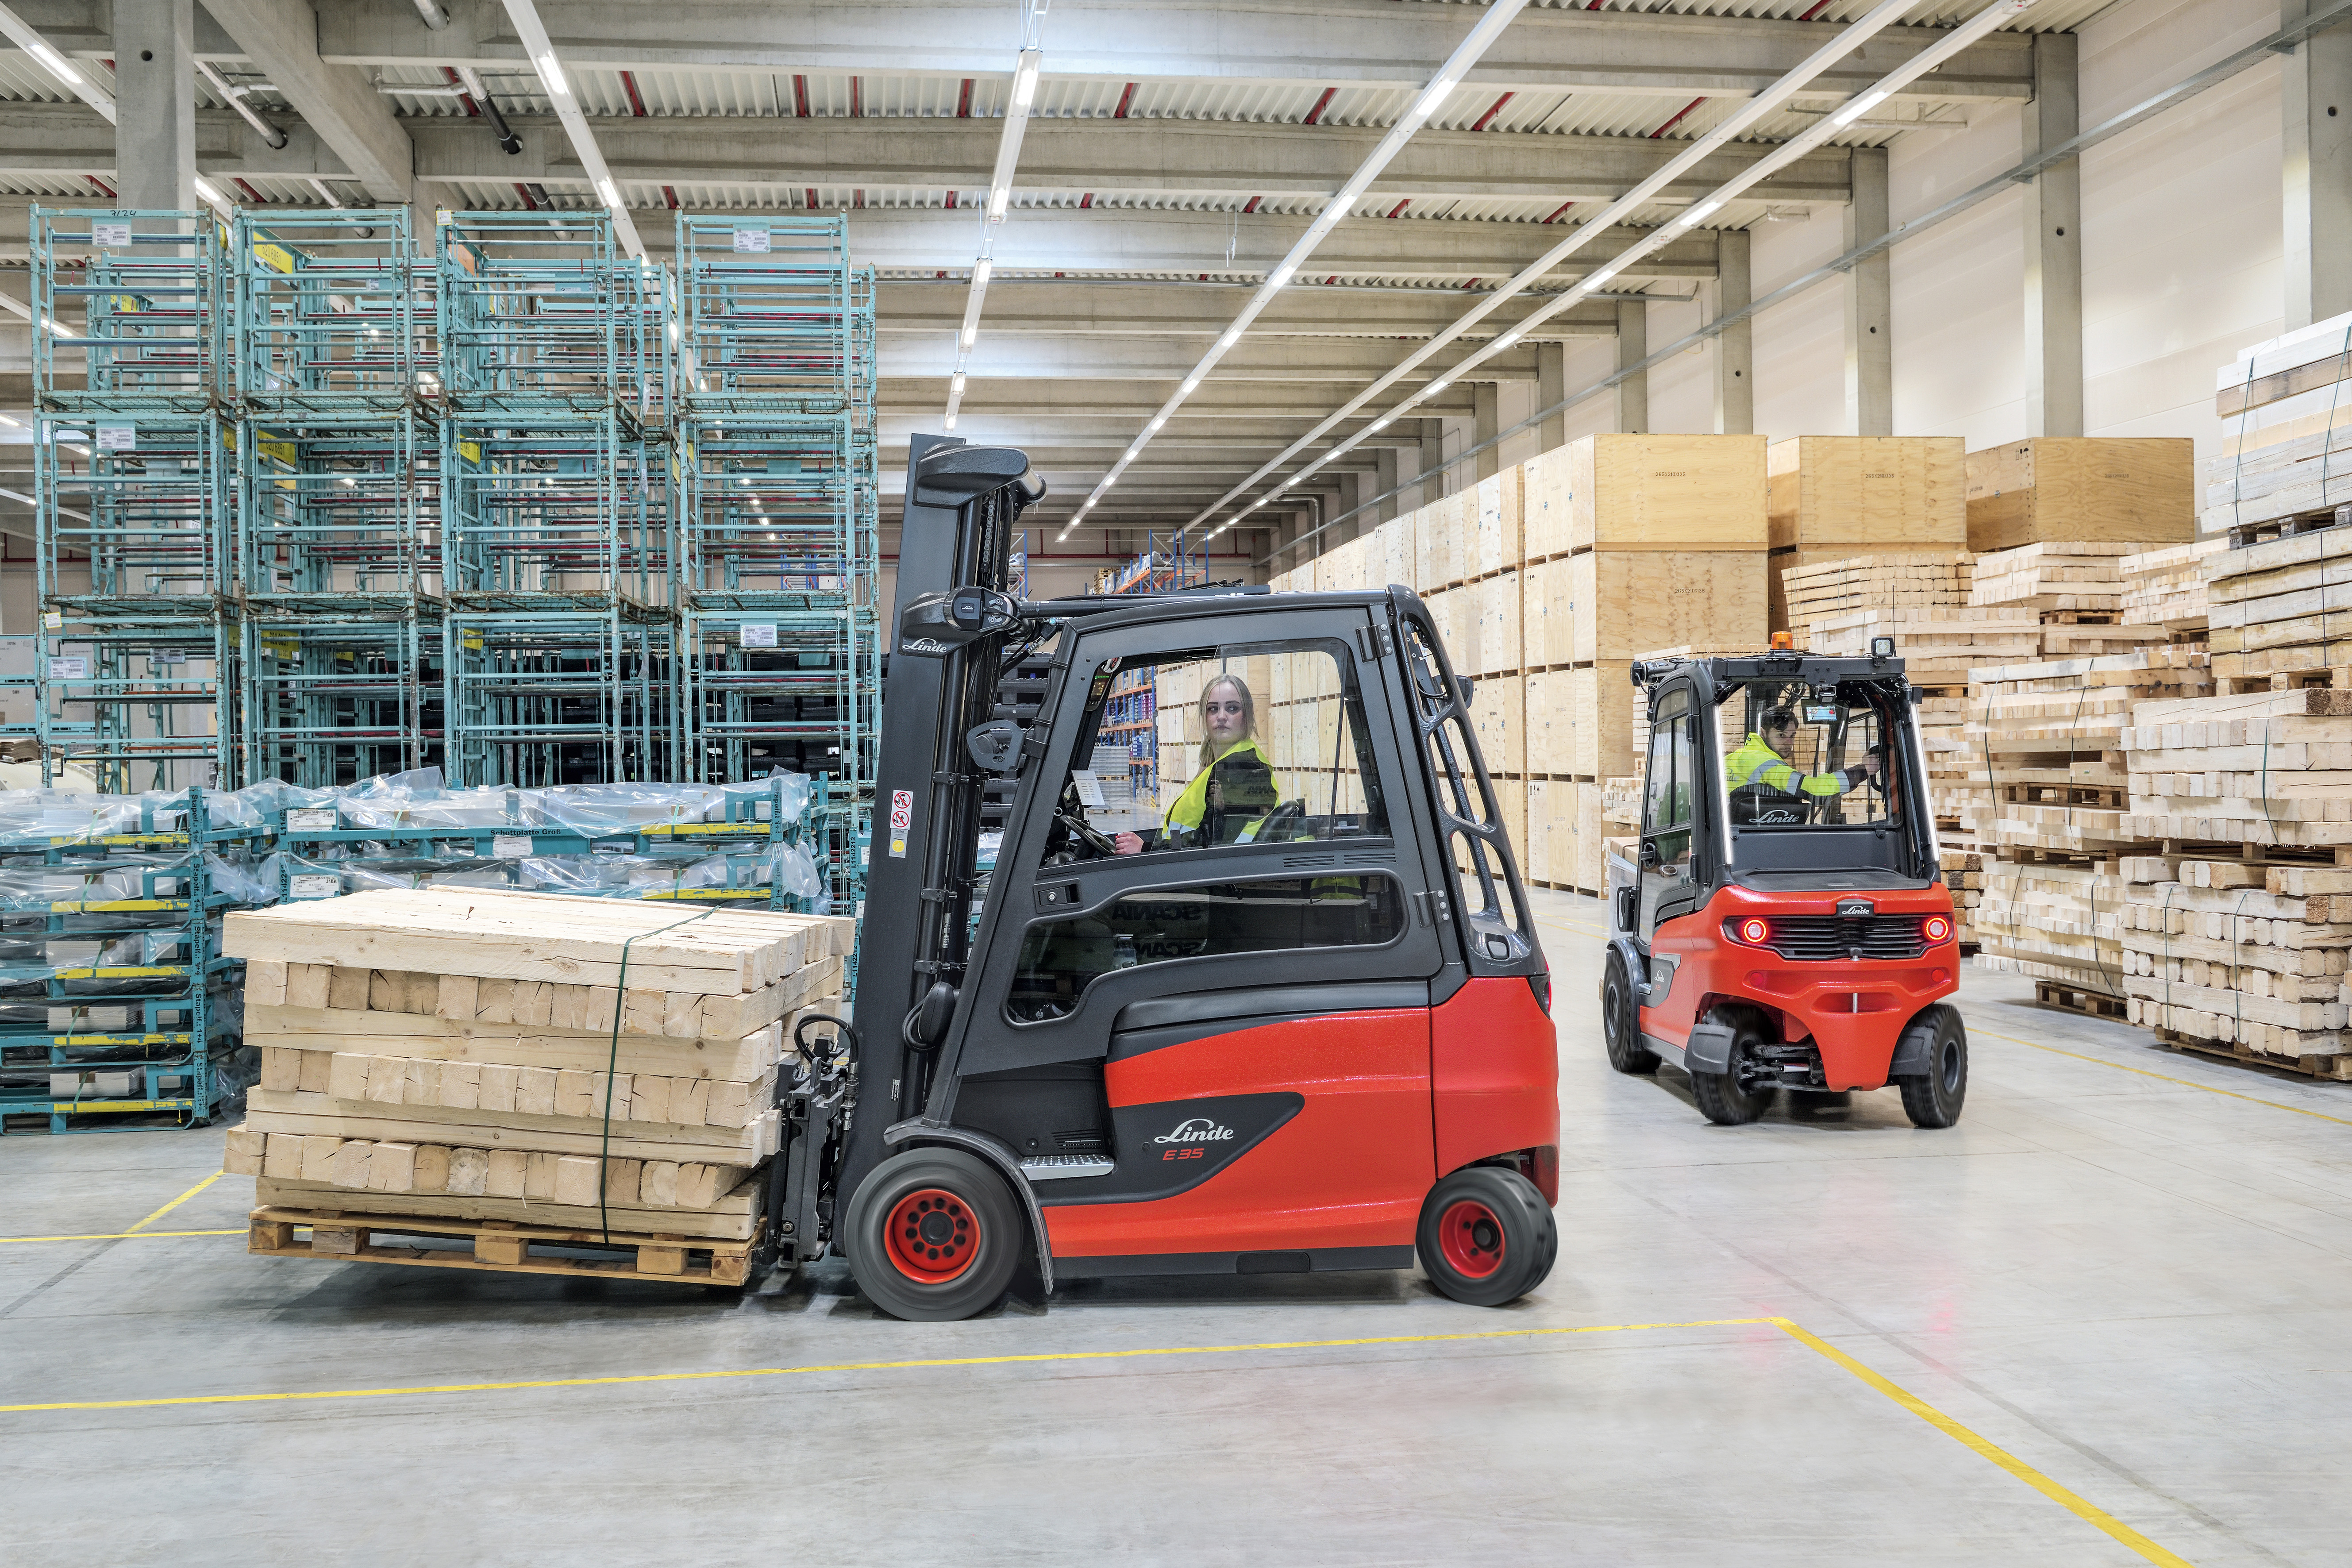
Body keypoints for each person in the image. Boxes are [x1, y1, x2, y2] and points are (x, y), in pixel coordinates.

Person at [1113, 673, 1279, 854]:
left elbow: (1214, 839)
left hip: (1219, 869)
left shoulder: (1243, 767)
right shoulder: (1218, 764)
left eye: (1232, 708)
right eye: (1213, 709)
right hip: (1197, 864)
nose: (1221, 716)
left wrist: (1146, 849)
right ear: (1204, 716)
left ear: (1246, 716)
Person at [1725, 705, 1879, 810]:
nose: (1789, 743)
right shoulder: (1768, 765)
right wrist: (1864, 770)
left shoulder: (1729, 760)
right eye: (1781, 735)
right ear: (1763, 733)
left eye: (1792, 736)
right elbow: (1816, 791)